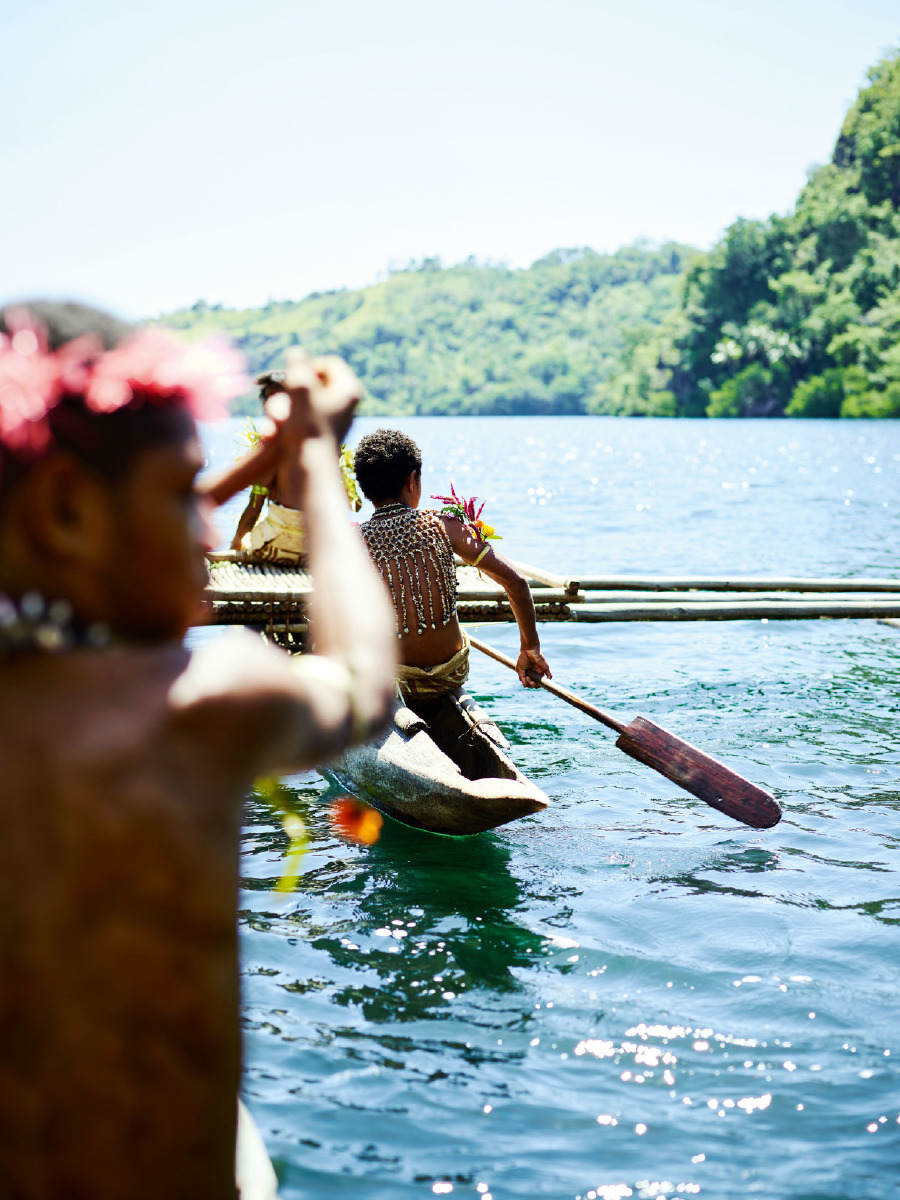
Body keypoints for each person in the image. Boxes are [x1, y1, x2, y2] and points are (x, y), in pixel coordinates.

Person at [0, 301, 396, 1199]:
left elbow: (97, 557)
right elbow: (367, 684)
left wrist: (256, 463)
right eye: (185, 493)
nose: (209, 533)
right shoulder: (199, 707)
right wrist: (317, 468)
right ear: (65, 510)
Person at [353, 428, 551, 703]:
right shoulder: (444, 526)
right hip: (449, 674)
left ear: (365, 489)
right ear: (413, 481)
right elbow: (516, 583)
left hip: (390, 679)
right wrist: (530, 647)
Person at [230, 371, 361, 563]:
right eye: (270, 400)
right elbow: (354, 504)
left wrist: (234, 547)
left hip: (281, 545)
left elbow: (254, 507)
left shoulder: (272, 450)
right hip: (318, 548)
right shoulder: (327, 445)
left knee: (249, 531)